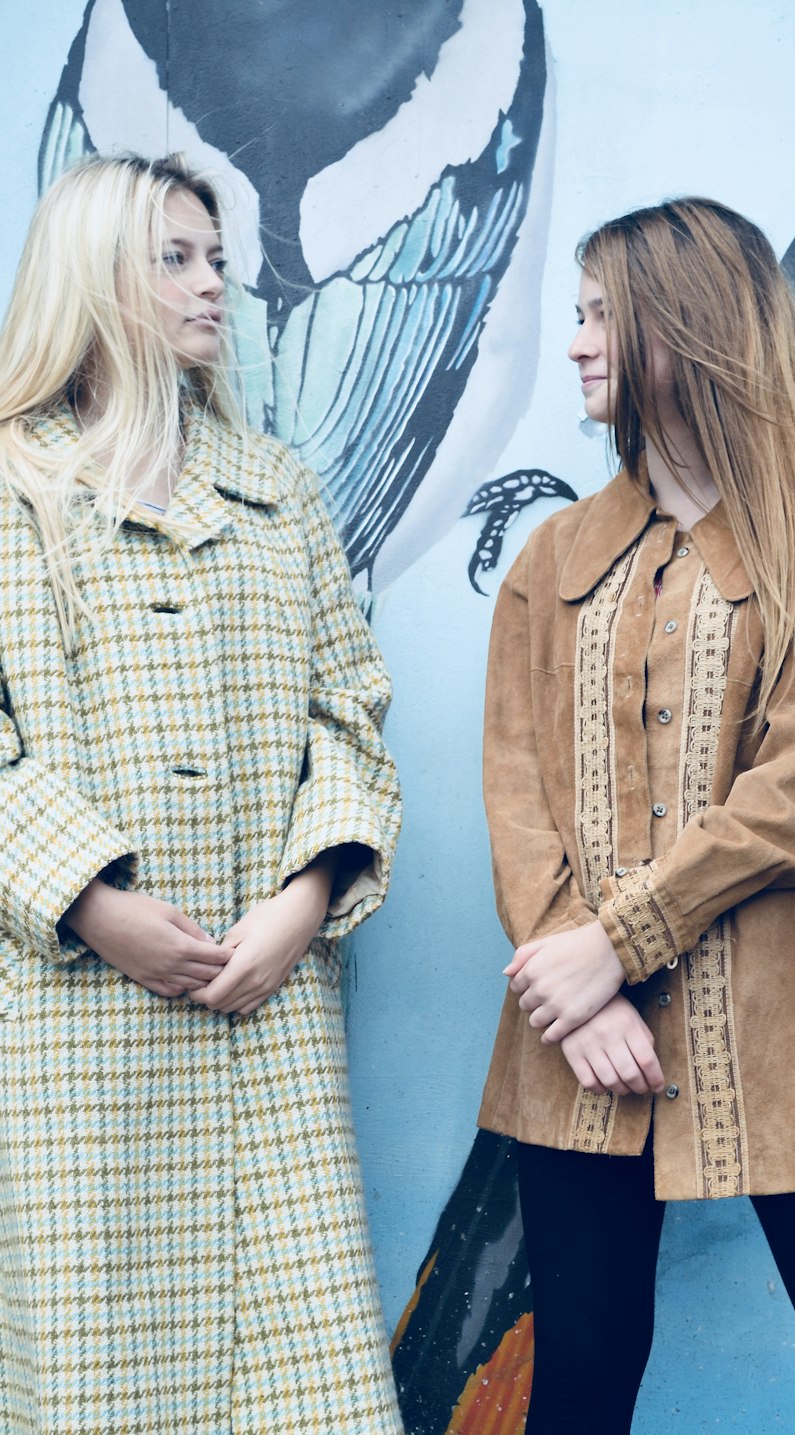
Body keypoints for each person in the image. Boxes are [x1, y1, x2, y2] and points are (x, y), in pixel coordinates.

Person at [477, 199, 795, 1434]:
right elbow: (517, 784)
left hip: (788, 1035)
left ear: (685, 328)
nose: (580, 342)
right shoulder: (551, 559)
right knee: (580, 1390)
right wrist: (576, 983)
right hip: (575, 1049)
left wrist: (617, 940)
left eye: (603, 314)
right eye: (580, 314)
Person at [0, 154, 403, 1434]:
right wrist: (90, 901)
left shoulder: (277, 488)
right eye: (176, 256)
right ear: (99, 276)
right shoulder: (12, 485)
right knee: (101, 1376)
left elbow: (351, 709)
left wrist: (302, 900)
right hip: (74, 1025)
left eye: (216, 257)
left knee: (297, 1380)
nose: (214, 282)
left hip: (265, 1012)